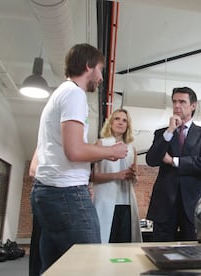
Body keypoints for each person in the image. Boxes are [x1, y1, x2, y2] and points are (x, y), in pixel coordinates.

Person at [30, 43, 128, 273]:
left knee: (55, 267)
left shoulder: (60, 93)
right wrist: (110, 151)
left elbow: (67, 149)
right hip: (66, 195)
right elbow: (74, 151)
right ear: (88, 66)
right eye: (100, 70)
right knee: (89, 265)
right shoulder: (74, 93)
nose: (101, 78)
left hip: (47, 193)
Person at [146, 87, 201, 242]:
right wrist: (170, 131)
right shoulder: (162, 134)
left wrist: (173, 161)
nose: (177, 105)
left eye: (182, 102)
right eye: (174, 101)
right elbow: (151, 160)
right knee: (160, 248)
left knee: (193, 249)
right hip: (165, 202)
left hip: (193, 201)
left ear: (193, 106)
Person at [92, 109, 142, 243]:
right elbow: (92, 176)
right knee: (104, 243)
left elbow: (135, 179)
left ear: (128, 126)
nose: (121, 122)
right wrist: (116, 175)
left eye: (124, 120)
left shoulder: (132, 149)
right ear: (110, 123)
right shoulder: (100, 144)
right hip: (105, 200)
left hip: (126, 203)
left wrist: (133, 176)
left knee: (124, 246)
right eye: (117, 119)